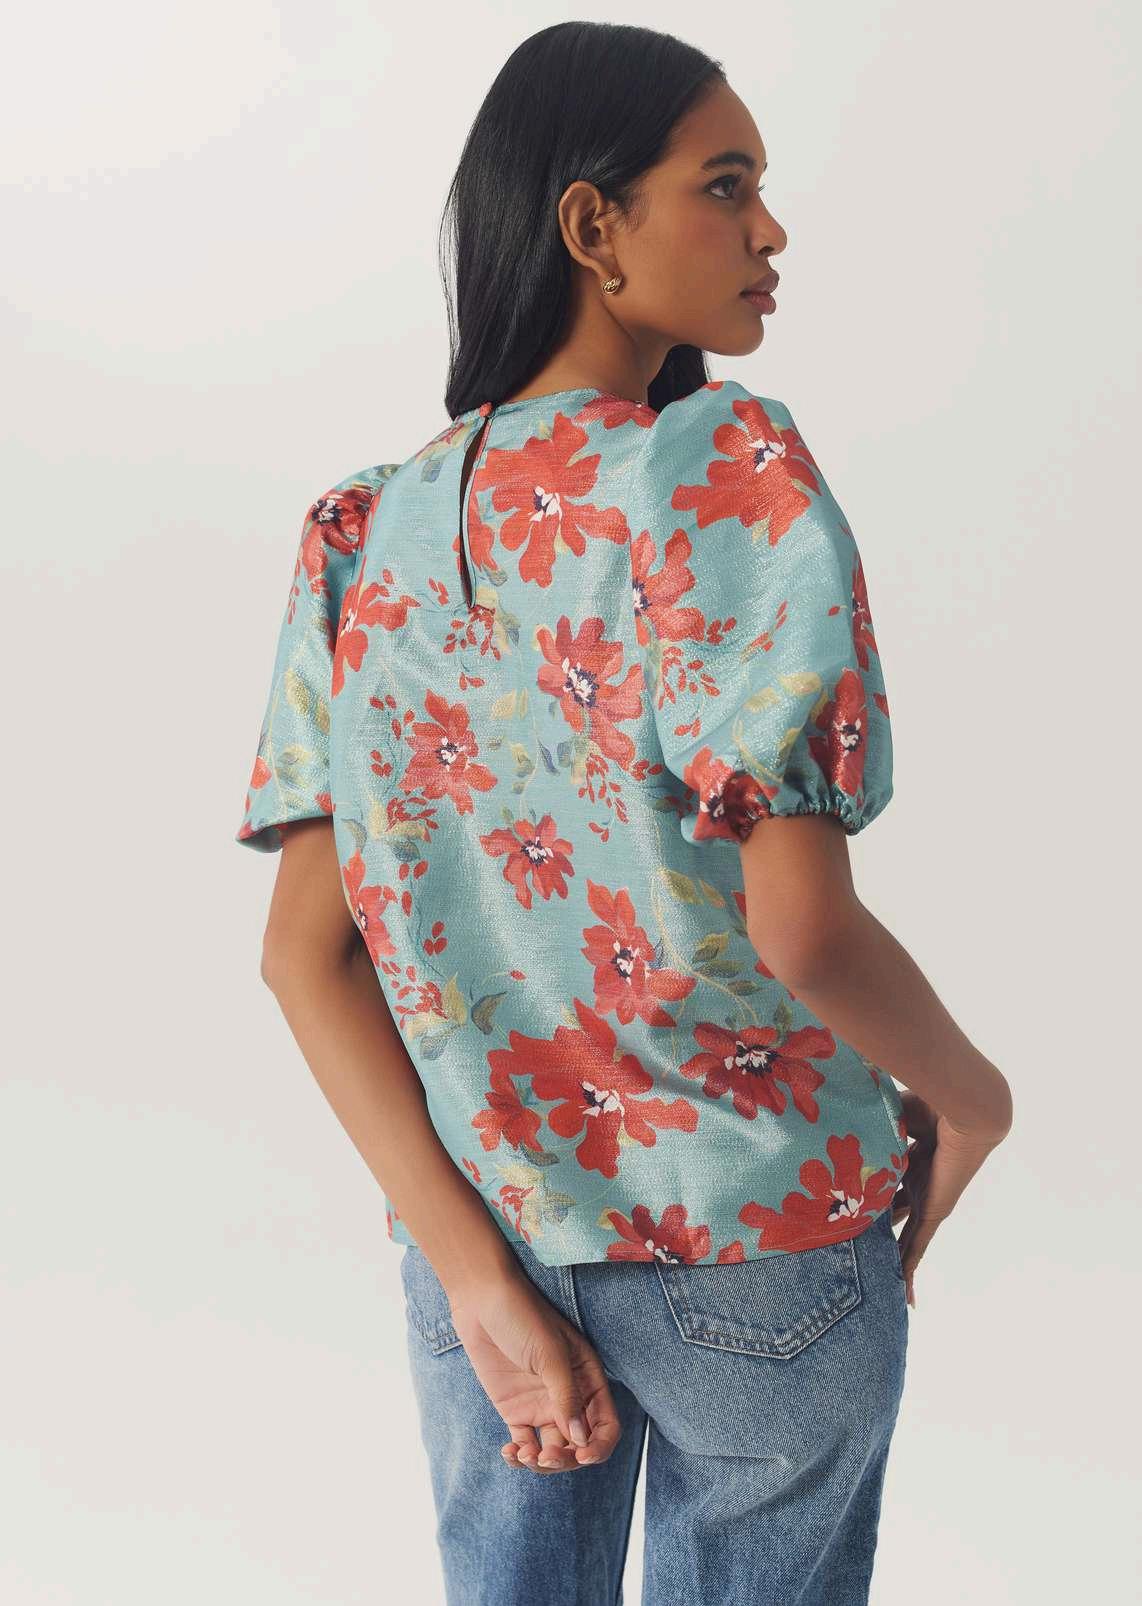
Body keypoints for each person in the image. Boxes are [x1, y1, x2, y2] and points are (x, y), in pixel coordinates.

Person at [234, 21, 1013, 1606]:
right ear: (591, 226)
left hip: (484, 1254)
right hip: (761, 1241)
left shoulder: (360, 532)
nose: (769, 230)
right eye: (724, 186)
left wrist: (475, 1275)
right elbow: (802, 928)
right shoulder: (717, 466)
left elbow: (302, 959)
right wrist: (974, 1099)